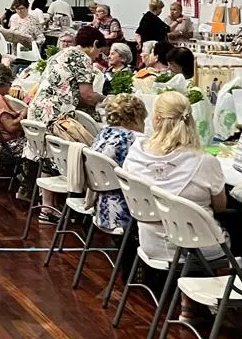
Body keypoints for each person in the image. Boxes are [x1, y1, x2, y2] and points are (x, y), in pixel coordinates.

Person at [122, 90, 229, 274]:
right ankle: (230, 293)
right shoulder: (204, 161)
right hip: (199, 246)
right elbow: (220, 207)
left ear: (155, 119)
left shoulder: (136, 155)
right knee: (241, 228)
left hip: (151, 241)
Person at [25, 26, 104, 147]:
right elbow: (87, 95)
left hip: (37, 113)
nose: (99, 55)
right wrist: (106, 99)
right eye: (100, 51)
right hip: (54, 119)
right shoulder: (82, 57)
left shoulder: (60, 54)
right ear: (95, 43)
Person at [91, 94, 146, 232]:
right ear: (136, 117)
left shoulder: (104, 133)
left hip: (102, 207)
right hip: (128, 212)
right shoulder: (134, 140)